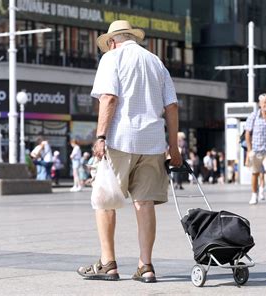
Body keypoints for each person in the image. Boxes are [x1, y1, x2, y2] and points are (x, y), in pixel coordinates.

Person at [77, 20, 182, 283]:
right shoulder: (156, 62)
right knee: (144, 204)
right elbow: (172, 107)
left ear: (112, 41)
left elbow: (109, 98)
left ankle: (108, 263)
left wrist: (101, 136)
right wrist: (175, 146)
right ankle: (145, 266)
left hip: (120, 140)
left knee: (104, 202)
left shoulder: (112, 58)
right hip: (153, 143)